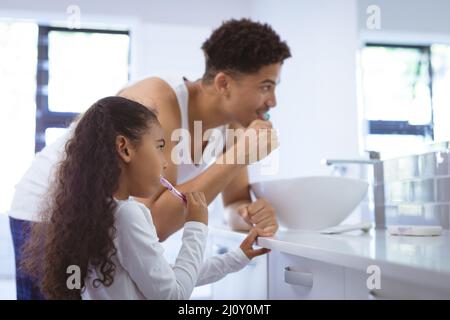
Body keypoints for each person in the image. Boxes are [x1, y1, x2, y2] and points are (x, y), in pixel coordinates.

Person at [9, 18, 291, 299]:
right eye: (266, 86)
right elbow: (150, 226)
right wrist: (236, 158)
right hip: (47, 213)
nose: (273, 101)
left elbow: (233, 204)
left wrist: (251, 216)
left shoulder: (233, 127)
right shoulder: (157, 101)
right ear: (223, 83)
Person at [21, 96, 270, 300]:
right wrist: (196, 226)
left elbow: (165, 278)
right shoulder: (127, 214)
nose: (164, 162)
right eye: (160, 146)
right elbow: (173, 294)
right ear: (125, 148)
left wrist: (235, 258)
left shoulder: (95, 212)